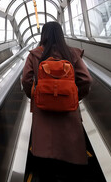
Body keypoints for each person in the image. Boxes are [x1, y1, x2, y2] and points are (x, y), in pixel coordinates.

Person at [21, 22, 93, 181]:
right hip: (69, 113)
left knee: (46, 164)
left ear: (43, 35)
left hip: (43, 113)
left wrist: (35, 96)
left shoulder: (35, 54)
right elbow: (86, 80)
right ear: (60, 34)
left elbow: (26, 80)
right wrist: (74, 97)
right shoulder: (72, 53)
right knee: (70, 161)